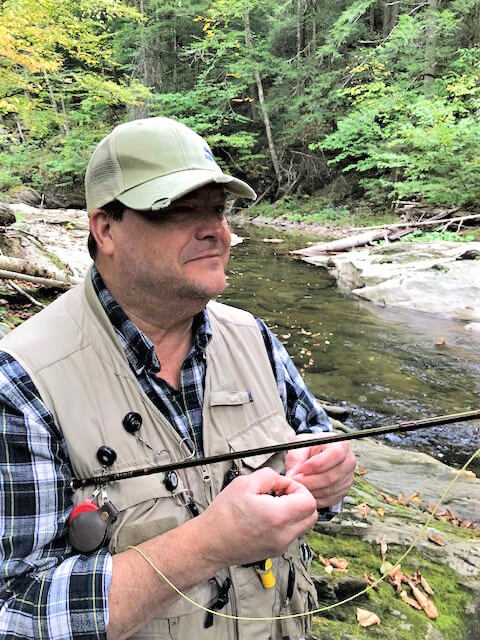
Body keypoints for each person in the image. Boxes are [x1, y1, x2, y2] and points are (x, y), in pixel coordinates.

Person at [0, 117, 356, 640]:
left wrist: (332, 475)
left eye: (217, 209)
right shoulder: (21, 382)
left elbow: (317, 442)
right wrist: (207, 544)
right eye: (180, 209)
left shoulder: (252, 335)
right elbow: (16, 611)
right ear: (105, 229)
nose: (217, 229)